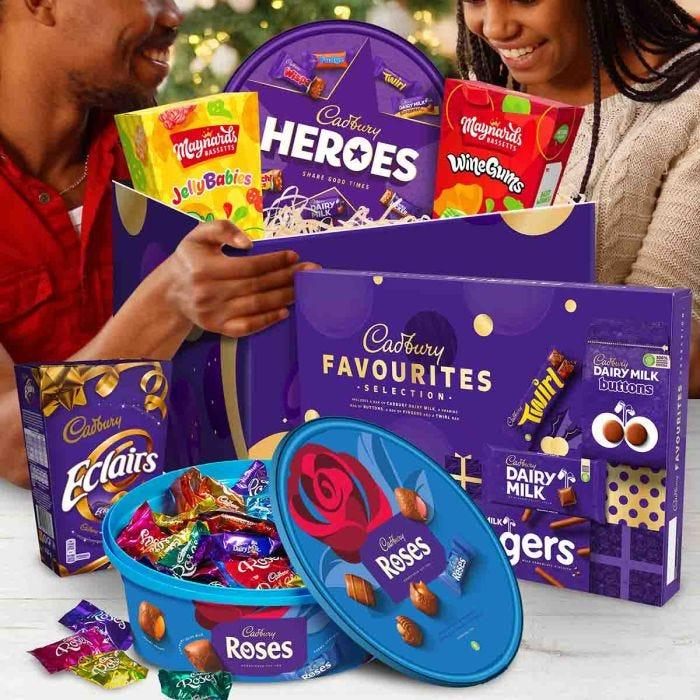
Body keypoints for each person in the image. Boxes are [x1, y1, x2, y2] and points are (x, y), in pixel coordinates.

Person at [0, 0, 316, 487]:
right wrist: (168, 301)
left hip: (203, 511)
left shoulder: (173, 151)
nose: (173, 15)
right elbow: (16, 450)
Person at [456, 0, 700, 396]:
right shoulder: (485, 86)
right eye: (474, 0)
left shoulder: (688, 102)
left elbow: (671, 350)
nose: (496, 28)